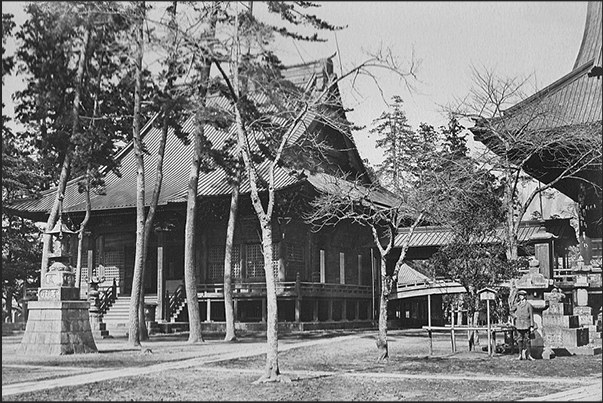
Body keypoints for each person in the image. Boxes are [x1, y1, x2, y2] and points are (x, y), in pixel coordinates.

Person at [510, 289, 536, 360]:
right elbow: (511, 311)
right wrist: (515, 316)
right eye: (520, 295)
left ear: (525, 296)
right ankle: (520, 355)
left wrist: (531, 326)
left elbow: (531, 316)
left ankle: (529, 355)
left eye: (523, 295)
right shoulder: (517, 305)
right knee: (519, 340)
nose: (521, 297)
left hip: (526, 325)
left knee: (527, 340)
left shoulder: (528, 305)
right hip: (519, 325)